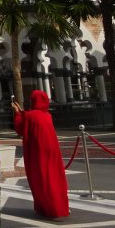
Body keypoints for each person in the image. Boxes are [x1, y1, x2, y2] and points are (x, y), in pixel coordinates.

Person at [12, 90, 69, 218]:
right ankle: (60, 206)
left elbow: (20, 127)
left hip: (38, 154)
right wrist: (22, 113)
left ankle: (48, 207)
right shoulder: (47, 115)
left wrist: (17, 113)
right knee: (55, 178)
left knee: (41, 179)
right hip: (52, 153)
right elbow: (28, 118)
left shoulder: (30, 116)